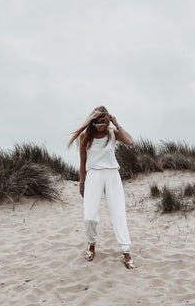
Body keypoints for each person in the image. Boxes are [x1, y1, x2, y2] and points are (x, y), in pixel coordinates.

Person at [68, 106, 135, 269]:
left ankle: (126, 252)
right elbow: (82, 162)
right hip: (93, 175)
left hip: (112, 174)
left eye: (103, 123)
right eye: (97, 124)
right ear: (92, 123)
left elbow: (130, 142)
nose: (101, 127)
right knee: (89, 216)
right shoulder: (85, 137)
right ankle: (91, 244)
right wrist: (81, 183)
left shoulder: (113, 133)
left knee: (118, 213)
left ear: (107, 121)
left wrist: (116, 123)